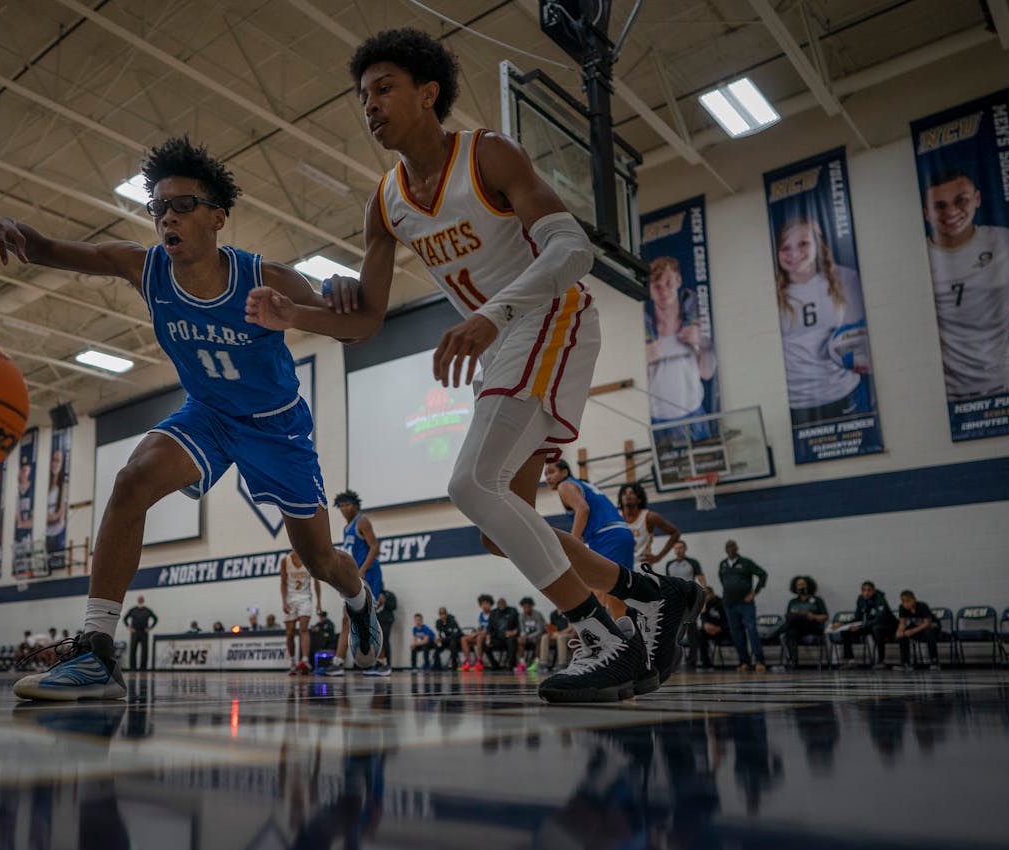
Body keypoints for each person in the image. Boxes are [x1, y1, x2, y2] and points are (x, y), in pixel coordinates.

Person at [246, 28, 703, 703]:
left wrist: (492, 313)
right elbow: (366, 320)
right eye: (363, 96)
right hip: (505, 342)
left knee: (469, 481)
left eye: (384, 89)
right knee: (499, 528)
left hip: (552, 316)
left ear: (428, 93)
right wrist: (296, 315)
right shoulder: (387, 201)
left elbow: (571, 248)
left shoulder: (487, 153)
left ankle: (603, 636)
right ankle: (654, 595)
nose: (369, 105)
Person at [0, 137, 383, 700]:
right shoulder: (142, 269)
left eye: (183, 205)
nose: (168, 216)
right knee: (130, 481)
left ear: (217, 217)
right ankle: (95, 652)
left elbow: (356, 327)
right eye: (158, 208)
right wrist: (14, 229)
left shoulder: (268, 278)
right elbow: (53, 249)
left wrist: (341, 294)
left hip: (277, 426)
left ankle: (360, 603)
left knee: (318, 559)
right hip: (209, 415)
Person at [922, 167, 1009, 396]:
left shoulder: (1004, 240)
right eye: (940, 206)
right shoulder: (918, 259)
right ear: (927, 213)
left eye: (961, 200)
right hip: (954, 391)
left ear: (977, 199)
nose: (951, 211)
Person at [774, 217, 873, 425]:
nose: (794, 254)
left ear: (817, 244)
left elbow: (864, 333)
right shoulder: (770, 295)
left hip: (844, 391)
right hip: (797, 401)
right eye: (785, 247)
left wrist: (865, 358)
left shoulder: (846, 279)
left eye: (803, 244)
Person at [543, 460, 634, 618]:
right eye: (545, 474)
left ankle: (598, 639)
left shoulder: (565, 485)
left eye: (551, 472)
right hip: (622, 532)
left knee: (598, 591)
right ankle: (629, 637)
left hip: (606, 535)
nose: (548, 477)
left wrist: (573, 543)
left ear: (564, 473)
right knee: (618, 593)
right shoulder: (581, 484)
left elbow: (583, 509)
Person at [645, 256, 716, 437]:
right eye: (657, 286)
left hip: (693, 416)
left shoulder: (694, 324)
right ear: (650, 291)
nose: (664, 291)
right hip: (657, 421)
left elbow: (707, 373)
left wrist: (702, 343)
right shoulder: (642, 333)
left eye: (668, 283)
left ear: (678, 281)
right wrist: (641, 360)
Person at [322, 490, 386, 677]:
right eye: (341, 505)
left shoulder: (362, 521)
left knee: (366, 619)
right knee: (348, 618)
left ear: (355, 505)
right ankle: (339, 661)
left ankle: (381, 663)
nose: (344, 508)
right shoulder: (346, 528)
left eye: (347, 504)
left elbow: (374, 545)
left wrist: (363, 569)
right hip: (355, 576)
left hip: (369, 575)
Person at [717, 540, 768, 672]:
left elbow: (762, 574)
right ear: (725, 549)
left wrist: (754, 592)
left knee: (751, 630)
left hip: (745, 604)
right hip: (729, 604)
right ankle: (744, 662)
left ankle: (759, 661)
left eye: (732, 546)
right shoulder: (723, 564)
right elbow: (723, 581)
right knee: (736, 633)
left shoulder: (746, 562)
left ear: (737, 548)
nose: (730, 548)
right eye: (727, 546)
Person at [617, 482, 681, 568]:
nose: (627, 496)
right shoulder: (615, 517)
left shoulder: (649, 517)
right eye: (624, 493)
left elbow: (675, 533)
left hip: (641, 565)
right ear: (621, 499)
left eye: (631, 493)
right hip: (621, 564)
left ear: (639, 499)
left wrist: (658, 557)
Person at [281, 550, 320, 675]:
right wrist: (284, 602)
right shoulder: (285, 560)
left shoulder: (309, 558)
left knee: (304, 627)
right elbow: (282, 582)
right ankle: (292, 662)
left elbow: (316, 582)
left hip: (305, 597)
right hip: (290, 598)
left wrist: (319, 602)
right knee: (290, 632)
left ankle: (305, 660)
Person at [841, 580, 895, 668]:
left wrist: (861, 626)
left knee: (877, 629)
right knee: (846, 631)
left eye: (868, 590)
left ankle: (881, 661)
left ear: (874, 590)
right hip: (869, 625)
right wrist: (844, 624)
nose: (866, 593)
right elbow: (857, 618)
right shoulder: (860, 599)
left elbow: (879, 619)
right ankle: (850, 661)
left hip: (886, 625)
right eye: (864, 590)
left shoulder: (880, 599)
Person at [780, 575, 828, 669]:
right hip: (798, 630)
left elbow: (825, 617)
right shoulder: (793, 601)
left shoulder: (817, 600)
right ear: (795, 587)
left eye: (803, 584)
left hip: (813, 627)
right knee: (790, 631)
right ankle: (794, 663)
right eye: (798, 585)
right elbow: (788, 617)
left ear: (808, 585)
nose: (801, 586)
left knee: (795, 619)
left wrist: (812, 616)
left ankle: (775, 633)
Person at [895, 589, 942, 671]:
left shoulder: (922, 606)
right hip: (918, 628)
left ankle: (934, 661)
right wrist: (899, 631)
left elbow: (927, 623)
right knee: (902, 635)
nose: (906, 604)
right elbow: (902, 623)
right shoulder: (902, 607)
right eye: (904, 601)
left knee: (928, 632)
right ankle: (905, 663)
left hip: (932, 626)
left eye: (908, 601)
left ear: (914, 599)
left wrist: (912, 631)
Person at [691, 585, 728, 670]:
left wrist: (720, 628)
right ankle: (706, 662)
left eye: (706, 595)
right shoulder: (705, 604)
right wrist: (705, 625)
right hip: (710, 630)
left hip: (722, 630)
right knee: (699, 634)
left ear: (712, 594)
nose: (705, 598)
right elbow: (703, 619)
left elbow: (729, 621)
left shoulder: (722, 603)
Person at [122, 596, 158, 673]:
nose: (140, 600)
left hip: (144, 632)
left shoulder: (147, 610)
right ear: (137, 600)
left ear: (143, 600)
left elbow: (155, 619)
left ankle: (143, 668)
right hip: (135, 632)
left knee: (144, 650)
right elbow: (125, 619)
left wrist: (150, 628)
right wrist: (129, 627)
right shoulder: (133, 610)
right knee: (133, 650)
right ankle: (132, 668)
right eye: (139, 599)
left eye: (142, 599)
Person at [518, 597, 548, 673]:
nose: (526, 609)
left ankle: (536, 663)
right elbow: (522, 629)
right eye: (524, 607)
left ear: (531, 606)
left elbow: (540, 631)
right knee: (520, 641)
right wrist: (523, 636)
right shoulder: (521, 616)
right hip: (528, 637)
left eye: (528, 607)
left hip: (538, 635)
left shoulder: (537, 614)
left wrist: (528, 637)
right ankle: (522, 663)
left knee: (539, 640)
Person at [433, 606, 462, 671]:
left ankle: (454, 664)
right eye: (440, 614)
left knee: (452, 643)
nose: (442, 616)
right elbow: (439, 633)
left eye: (444, 614)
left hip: (455, 640)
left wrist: (442, 639)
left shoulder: (452, 621)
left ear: (446, 614)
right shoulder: (438, 622)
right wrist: (437, 639)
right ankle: (437, 665)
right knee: (436, 644)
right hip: (445, 640)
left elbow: (454, 635)